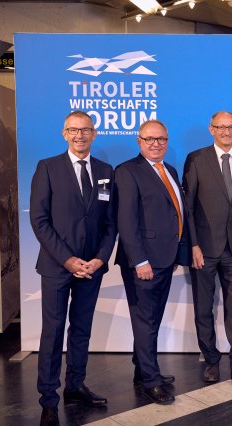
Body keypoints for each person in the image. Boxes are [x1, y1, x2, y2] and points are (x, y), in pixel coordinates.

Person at [30, 111, 116, 426]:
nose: (79, 135)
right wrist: (67, 259)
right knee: (53, 332)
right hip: (57, 266)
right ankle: (49, 399)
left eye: (85, 130)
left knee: (81, 330)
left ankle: (75, 386)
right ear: (64, 134)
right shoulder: (47, 168)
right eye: (73, 130)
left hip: (92, 267)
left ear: (94, 133)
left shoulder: (106, 171)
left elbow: (110, 223)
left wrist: (100, 258)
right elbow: (39, 220)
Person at [115, 119, 189, 405]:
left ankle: (143, 370)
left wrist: (173, 253)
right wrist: (139, 261)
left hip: (165, 258)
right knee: (145, 320)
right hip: (143, 262)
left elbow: (174, 213)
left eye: (161, 139)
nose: (156, 144)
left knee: (152, 318)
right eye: (150, 139)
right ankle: (150, 380)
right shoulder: (127, 171)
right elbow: (127, 220)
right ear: (139, 141)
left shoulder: (169, 170)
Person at [182, 111, 232, 390]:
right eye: (221, 127)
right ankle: (211, 360)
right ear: (211, 129)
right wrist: (193, 244)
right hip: (204, 248)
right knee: (204, 306)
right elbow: (188, 207)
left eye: (231, 127)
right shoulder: (196, 159)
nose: (226, 131)